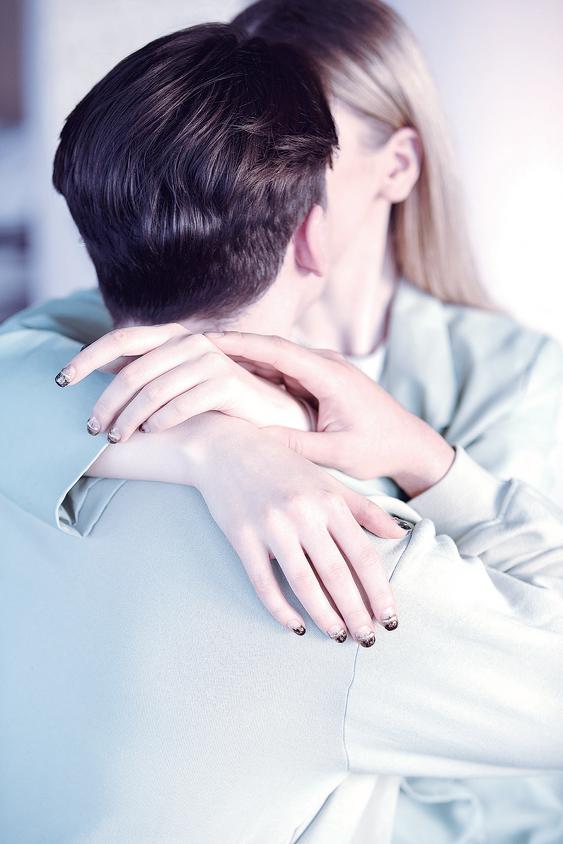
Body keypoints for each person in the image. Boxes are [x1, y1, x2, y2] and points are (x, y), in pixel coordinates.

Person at [1, 1, 563, 840]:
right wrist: (213, 444)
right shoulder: (342, 556)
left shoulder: (506, 375)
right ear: (311, 233)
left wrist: (409, 450)